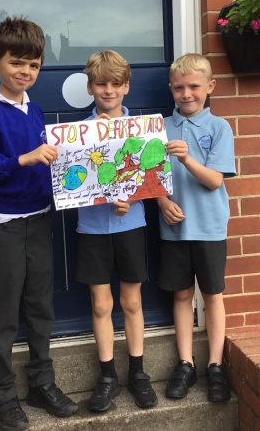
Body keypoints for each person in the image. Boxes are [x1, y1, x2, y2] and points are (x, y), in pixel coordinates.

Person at [0, 17, 78, 431]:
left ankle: (42, 384)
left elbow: (53, 165)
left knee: (41, 307)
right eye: (17, 63)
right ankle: (3, 395)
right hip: (6, 227)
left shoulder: (35, 109)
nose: (25, 72)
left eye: (33, 65)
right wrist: (23, 159)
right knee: (3, 315)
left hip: (40, 221)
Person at [76, 50, 158, 412]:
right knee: (100, 304)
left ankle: (138, 373)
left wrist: (132, 198)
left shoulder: (141, 131)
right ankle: (107, 377)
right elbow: (72, 181)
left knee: (132, 301)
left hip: (131, 224)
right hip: (92, 228)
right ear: (90, 88)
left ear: (126, 87)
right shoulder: (78, 133)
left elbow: (151, 176)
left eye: (115, 83)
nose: (108, 90)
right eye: (100, 84)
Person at [157, 53, 236, 403]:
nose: (186, 94)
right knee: (181, 295)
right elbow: (147, 178)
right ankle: (186, 363)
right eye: (179, 88)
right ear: (170, 89)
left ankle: (215, 365)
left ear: (210, 87)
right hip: (174, 228)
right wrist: (162, 202)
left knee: (212, 295)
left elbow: (215, 180)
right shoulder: (159, 127)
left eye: (193, 86)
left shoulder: (219, 128)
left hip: (209, 226)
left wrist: (187, 157)